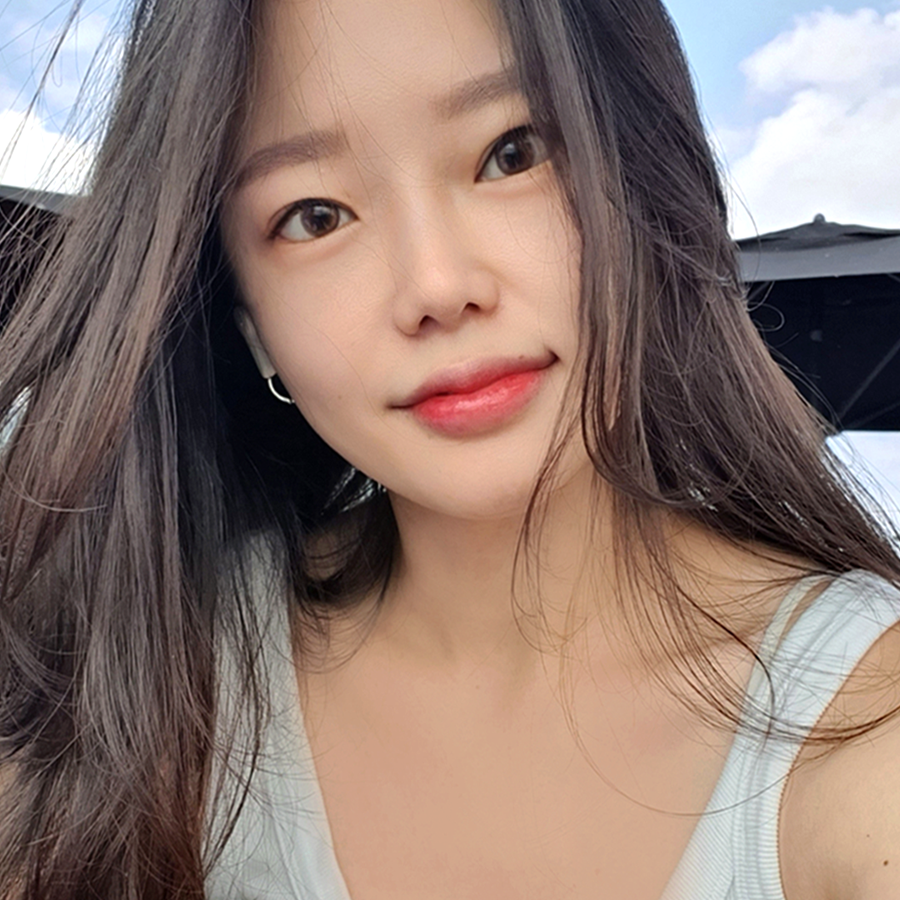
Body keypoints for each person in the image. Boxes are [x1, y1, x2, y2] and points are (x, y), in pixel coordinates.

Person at [2, 0, 900, 897]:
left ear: (646, 178)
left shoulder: (865, 722)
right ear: (251, 326)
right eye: (315, 216)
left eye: (512, 152)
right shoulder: (148, 684)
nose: (436, 286)